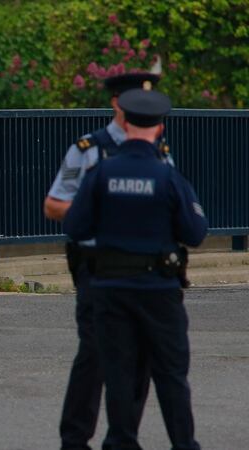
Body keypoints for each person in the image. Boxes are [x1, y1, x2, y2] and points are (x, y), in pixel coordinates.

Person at [64, 88, 207, 450]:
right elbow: (195, 232)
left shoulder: (100, 173)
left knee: (119, 375)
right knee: (171, 375)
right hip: (159, 290)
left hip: (110, 290)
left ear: (125, 124)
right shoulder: (168, 177)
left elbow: (76, 226)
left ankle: (121, 442)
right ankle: (184, 444)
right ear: (159, 128)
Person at [45, 73, 163, 450]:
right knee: (95, 351)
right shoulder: (88, 149)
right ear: (116, 104)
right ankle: (74, 439)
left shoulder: (158, 151)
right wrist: (101, 211)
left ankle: (123, 439)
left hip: (144, 268)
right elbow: (54, 205)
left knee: (140, 354)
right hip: (96, 266)